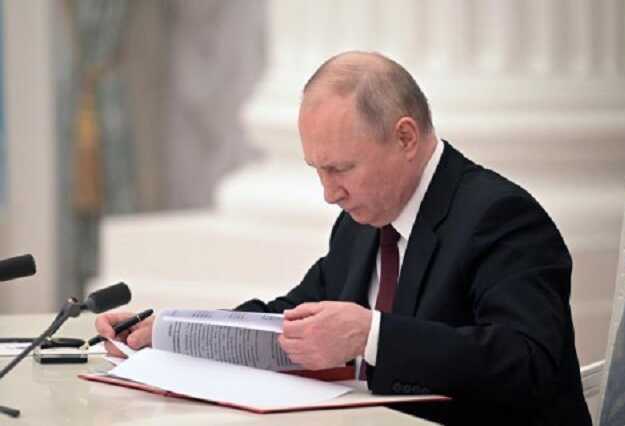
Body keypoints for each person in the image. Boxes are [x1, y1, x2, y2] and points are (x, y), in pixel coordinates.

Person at [96, 51, 592, 425]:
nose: (329, 193)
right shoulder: (361, 220)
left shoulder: (500, 216)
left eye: (341, 169)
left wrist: (370, 336)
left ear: (405, 137)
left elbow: (528, 364)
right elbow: (292, 317)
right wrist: (169, 333)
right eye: (317, 170)